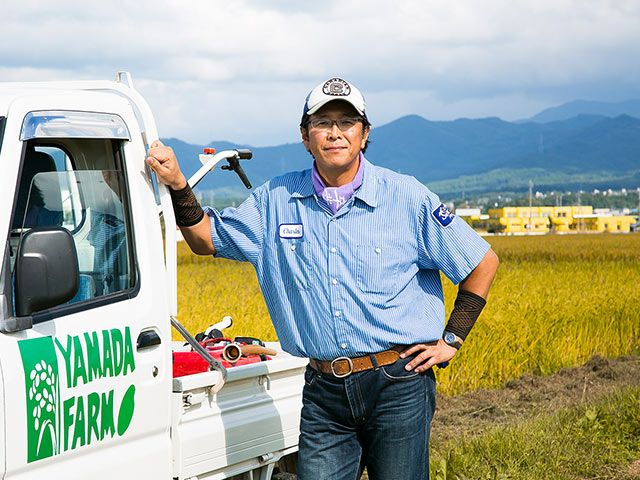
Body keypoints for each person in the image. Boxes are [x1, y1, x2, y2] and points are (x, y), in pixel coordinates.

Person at [146, 77, 499, 480]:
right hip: (323, 390)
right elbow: (204, 239)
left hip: (398, 383)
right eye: (322, 123)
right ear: (305, 136)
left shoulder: (406, 196)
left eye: (347, 122)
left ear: (364, 134)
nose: (335, 132)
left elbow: (481, 262)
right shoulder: (275, 200)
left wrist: (451, 339)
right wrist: (178, 183)